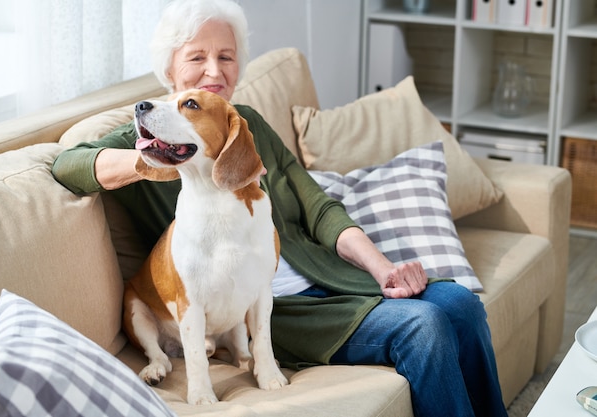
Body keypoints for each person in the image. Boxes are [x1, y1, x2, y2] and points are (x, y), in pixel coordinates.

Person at [52, 1, 508, 416]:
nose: (214, 70)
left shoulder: (247, 127)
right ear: (171, 68)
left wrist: (381, 268)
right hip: (274, 312)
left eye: (226, 56)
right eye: (196, 57)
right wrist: (152, 157)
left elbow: (318, 209)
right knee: (423, 326)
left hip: (324, 275)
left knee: (459, 303)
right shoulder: (153, 132)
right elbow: (69, 164)